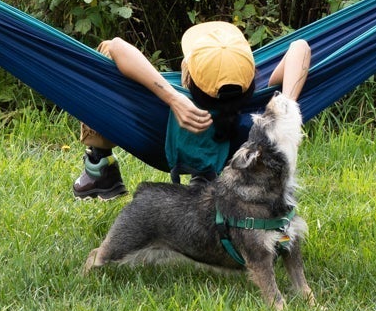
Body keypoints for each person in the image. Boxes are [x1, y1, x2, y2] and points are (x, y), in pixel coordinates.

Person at [70, 19, 312, 199]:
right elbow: (300, 47)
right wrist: (287, 107)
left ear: (187, 76)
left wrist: (173, 98)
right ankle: (204, 175)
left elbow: (115, 47)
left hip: (156, 146)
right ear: (250, 78)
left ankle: (99, 163)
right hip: (225, 158)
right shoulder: (256, 113)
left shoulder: (167, 103)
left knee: (102, 68)